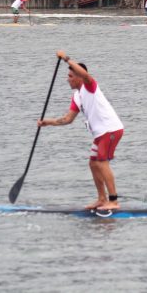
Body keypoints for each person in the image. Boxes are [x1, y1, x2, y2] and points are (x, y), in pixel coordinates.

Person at [37, 51, 124, 211]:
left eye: (70, 76)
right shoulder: (77, 96)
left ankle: (114, 201)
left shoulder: (89, 86)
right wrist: (47, 122)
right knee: (93, 163)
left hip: (110, 129)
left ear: (78, 77)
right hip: (100, 133)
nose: (67, 79)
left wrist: (66, 59)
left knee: (102, 162)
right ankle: (101, 199)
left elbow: (85, 74)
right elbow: (68, 119)